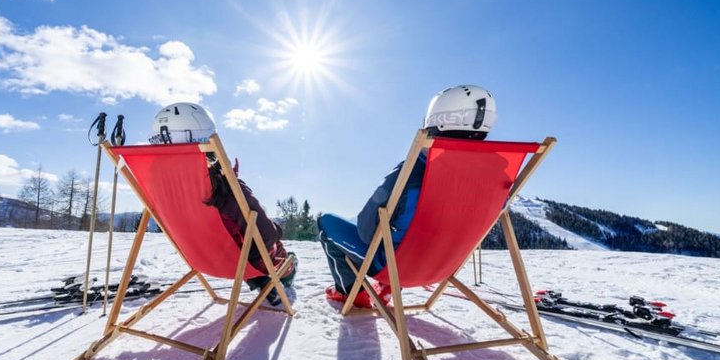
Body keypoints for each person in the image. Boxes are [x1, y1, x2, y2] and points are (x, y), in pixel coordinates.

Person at [318, 85, 497, 308]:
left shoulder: (413, 171)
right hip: (444, 265)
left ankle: (351, 293)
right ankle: (386, 287)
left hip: (397, 266)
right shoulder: (496, 176)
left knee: (325, 221)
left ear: (435, 118)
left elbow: (366, 230)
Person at [150, 102, 297, 305]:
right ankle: (272, 281)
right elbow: (266, 234)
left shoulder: (156, 181)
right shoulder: (222, 184)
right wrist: (276, 232)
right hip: (237, 262)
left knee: (243, 240)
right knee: (275, 251)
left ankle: (263, 282)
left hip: (198, 256)